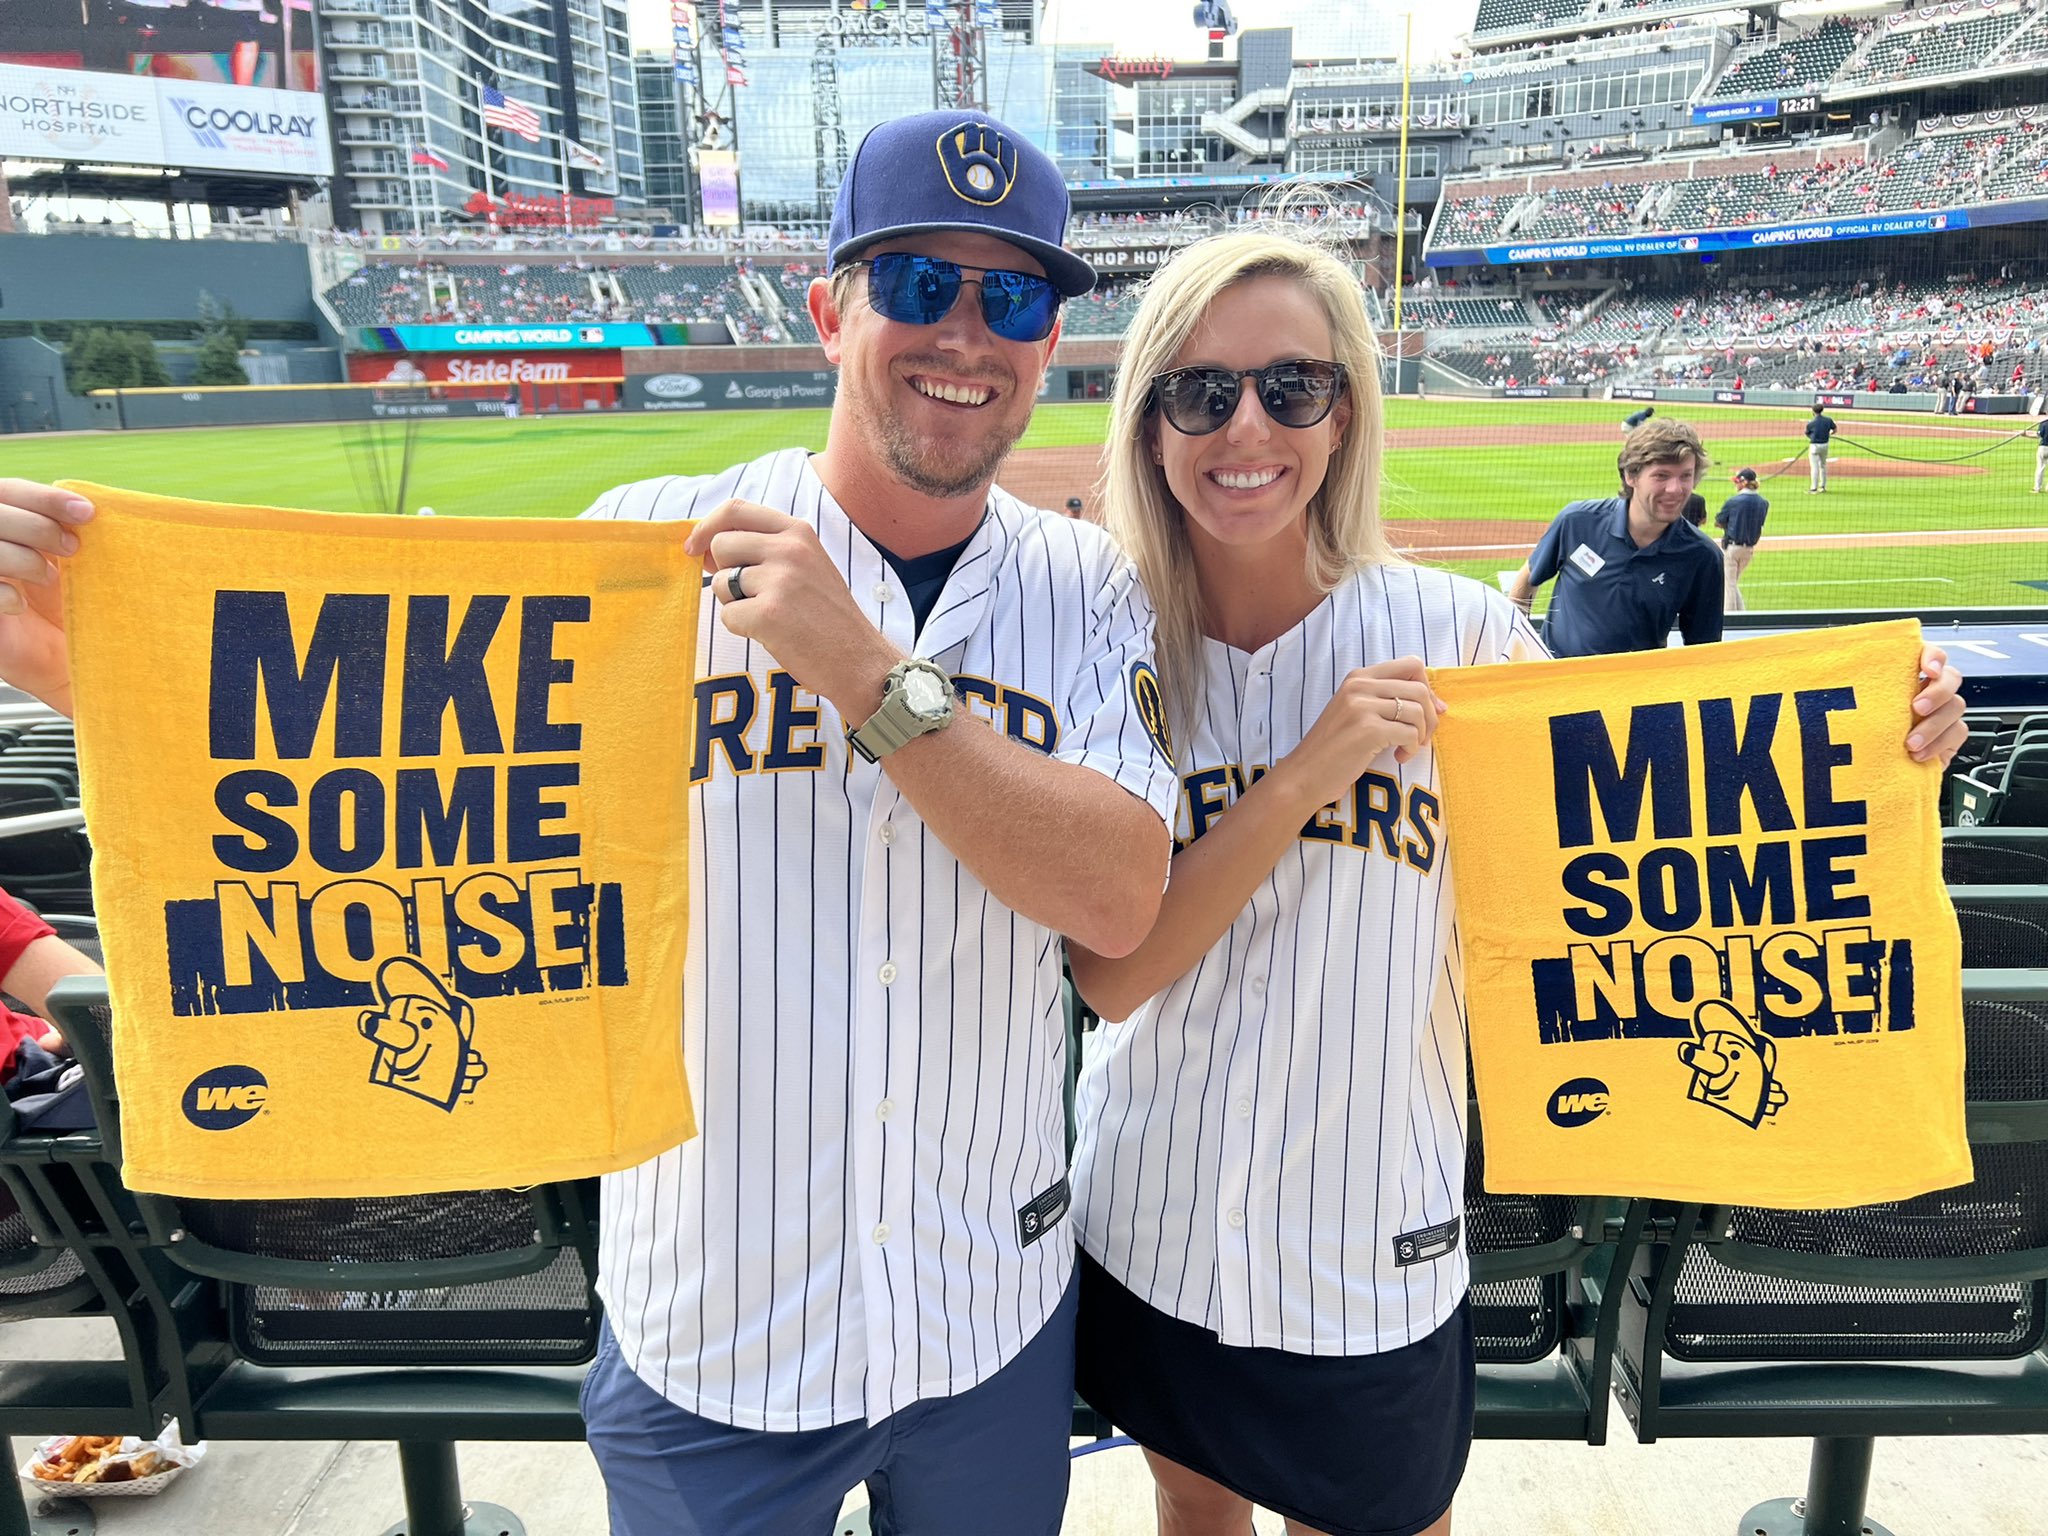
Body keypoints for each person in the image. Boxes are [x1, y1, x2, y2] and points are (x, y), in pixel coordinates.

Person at [0, 108, 1183, 1536]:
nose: (970, 334)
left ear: (1052, 335)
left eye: (1018, 297)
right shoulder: (645, 542)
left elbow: (1119, 904)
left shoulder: (1090, 585)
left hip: (988, 1313)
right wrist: (77, 658)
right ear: (827, 310)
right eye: (921, 286)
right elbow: (363, 766)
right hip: (711, 1326)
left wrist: (865, 674)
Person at [1062, 224, 1970, 1536]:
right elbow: (1120, 970)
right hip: (1145, 1215)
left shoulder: (1463, 638)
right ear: (1150, 423)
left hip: (1368, 1238)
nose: (1245, 424)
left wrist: (1889, 752)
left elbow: (1680, 843)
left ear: (1344, 415)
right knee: (1192, 1504)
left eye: (1291, 387)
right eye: (1201, 391)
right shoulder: (1105, 637)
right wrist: (1309, 775)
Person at [1506, 418, 1725, 657]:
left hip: (1635, 689)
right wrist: (1518, 648)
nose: (1675, 489)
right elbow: (1527, 579)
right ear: (1631, 476)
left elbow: (1704, 650)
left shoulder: (1703, 557)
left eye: (1685, 476)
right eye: (1661, 476)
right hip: (1559, 683)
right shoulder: (1577, 522)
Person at [1715, 466, 1770, 611]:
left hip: (1733, 548)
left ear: (1744, 482)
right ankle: (1742, 612)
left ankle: (1730, 617)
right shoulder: (1763, 503)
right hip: (1749, 550)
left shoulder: (1734, 501)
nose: (1736, 484)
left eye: (1737, 481)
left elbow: (1719, 521)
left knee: (1729, 584)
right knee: (1732, 582)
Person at [1805, 403, 1838, 492]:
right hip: (1825, 445)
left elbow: (1807, 433)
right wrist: (1828, 434)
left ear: (1813, 411)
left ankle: (1813, 488)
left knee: (1814, 467)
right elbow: (1835, 429)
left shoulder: (1811, 423)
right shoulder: (1828, 420)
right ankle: (1822, 486)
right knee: (1823, 466)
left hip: (1814, 446)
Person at [2034, 415, 2048, 494]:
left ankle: (2037, 488)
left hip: (2043, 448)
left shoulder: (2043, 423)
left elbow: (2038, 436)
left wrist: (2024, 435)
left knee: (2040, 468)